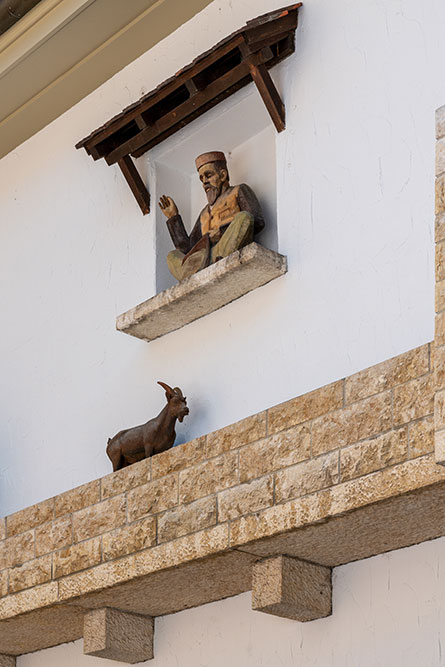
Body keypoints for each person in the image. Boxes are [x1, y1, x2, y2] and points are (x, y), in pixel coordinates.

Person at [158, 151, 265, 281]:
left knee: (244, 217)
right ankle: (193, 273)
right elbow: (188, 248)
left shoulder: (238, 191)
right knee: (172, 256)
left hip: (225, 248)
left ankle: (217, 261)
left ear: (223, 175)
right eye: (202, 179)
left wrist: (220, 233)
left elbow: (256, 220)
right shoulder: (204, 213)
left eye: (208, 175)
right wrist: (173, 217)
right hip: (204, 258)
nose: (205, 182)